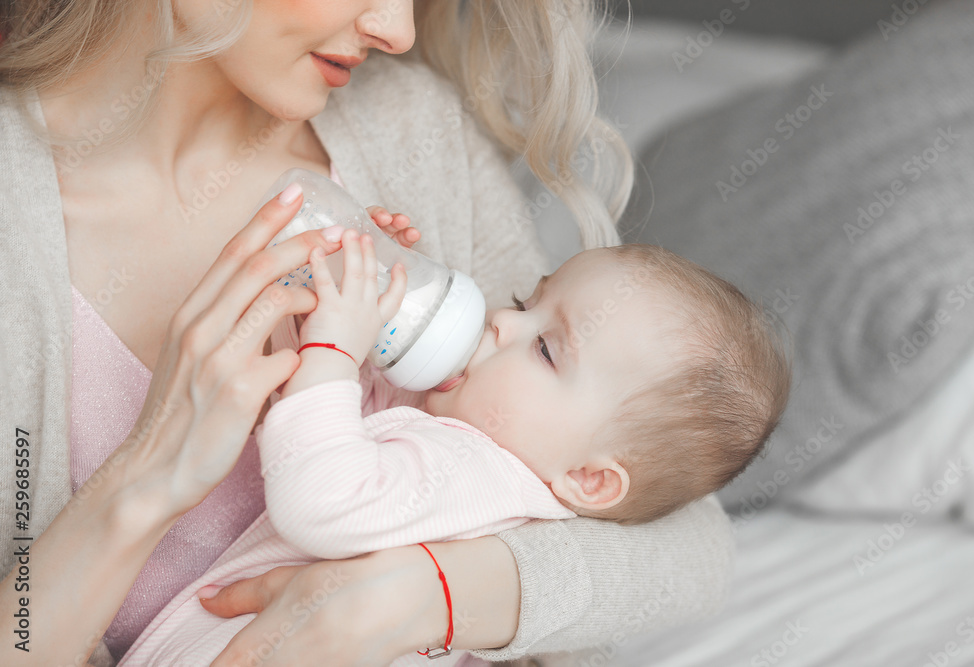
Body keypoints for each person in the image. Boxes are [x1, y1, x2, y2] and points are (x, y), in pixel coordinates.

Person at [0, 1, 734, 665]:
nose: (400, 30)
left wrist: (426, 595)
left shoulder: (409, 128)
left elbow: (690, 538)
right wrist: (144, 478)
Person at [118, 233, 790, 666]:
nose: (503, 318)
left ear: (588, 477)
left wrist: (331, 350)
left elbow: (322, 499)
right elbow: (347, 440)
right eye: (529, 300)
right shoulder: (467, 456)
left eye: (547, 347)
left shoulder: (476, 473)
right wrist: (367, 327)